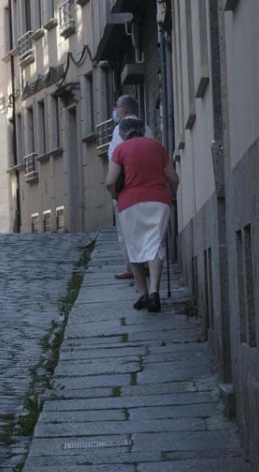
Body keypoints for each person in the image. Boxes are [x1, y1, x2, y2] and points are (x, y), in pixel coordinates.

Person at [106, 118, 179, 312]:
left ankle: (143, 294)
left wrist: (116, 195)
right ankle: (155, 292)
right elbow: (173, 178)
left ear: (122, 134)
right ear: (142, 131)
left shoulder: (120, 151)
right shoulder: (158, 148)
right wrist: (172, 195)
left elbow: (110, 182)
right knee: (155, 244)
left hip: (130, 203)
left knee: (134, 247)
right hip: (159, 201)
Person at [108, 95, 154, 280]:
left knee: (126, 230)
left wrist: (113, 189)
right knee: (146, 228)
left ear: (124, 110)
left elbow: (116, 158)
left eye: (117, 106)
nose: (115, 110)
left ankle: (133, 268)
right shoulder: (147, 129)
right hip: (148, 185)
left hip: (126, 187)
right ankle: (148, 264)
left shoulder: (120, 129)